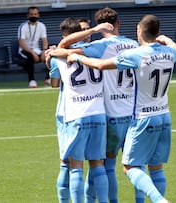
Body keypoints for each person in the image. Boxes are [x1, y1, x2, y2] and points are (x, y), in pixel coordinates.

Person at [67, 14, 176, 203]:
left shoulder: (136, 54)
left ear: (140, 31)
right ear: (157, 32)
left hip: (144, 116)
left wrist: (77, 58)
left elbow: (102, 65)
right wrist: (166, 39)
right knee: (156, 167)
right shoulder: (169, 51)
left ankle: (159, 200)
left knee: (130, 167)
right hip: (165, 116)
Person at [47, 7, 145, 203]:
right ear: (118, 23)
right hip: (122, 112)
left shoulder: (96, 48)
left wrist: (50, 53)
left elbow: (55, 78)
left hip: (84, 113)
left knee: (73, 165)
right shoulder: (132, 45)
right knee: (125, 164)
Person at [49, 18, 114, 203]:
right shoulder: (95, 50)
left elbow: (54, 84)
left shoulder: (57, 55)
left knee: (74, 165)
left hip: (75, 113)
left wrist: (50, 57)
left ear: (64, 35)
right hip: (98, 113)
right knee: (97, 164)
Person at [17, 6, 50, 88]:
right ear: (27, 15)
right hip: (24, 50)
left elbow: (44, 40)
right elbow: (21, 43)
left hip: (37, 49)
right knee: (30, 57)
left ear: (38, 15)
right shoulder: (23, 26)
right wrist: (32, 53)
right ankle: (32, 80)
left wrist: (44, 51)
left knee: (50, 55)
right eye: (31, 14)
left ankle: (48, 78)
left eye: (35, 14)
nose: (33, 16)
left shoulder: (41, 26)